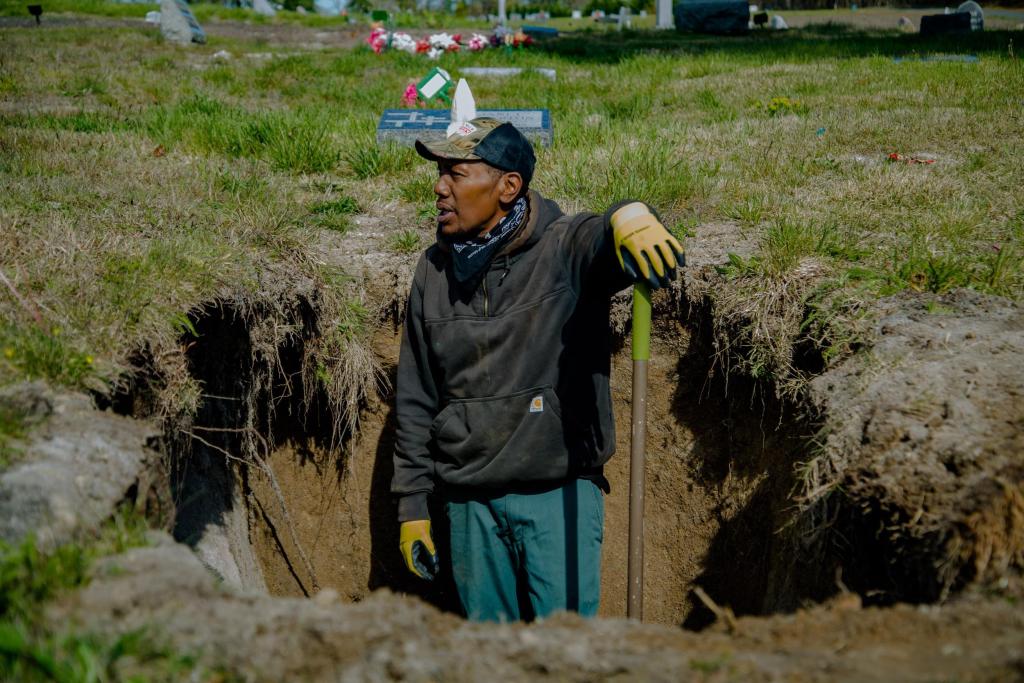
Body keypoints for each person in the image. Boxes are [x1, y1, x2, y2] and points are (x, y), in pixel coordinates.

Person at [391, 117, 683, 622]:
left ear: (508, 186)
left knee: (565, 658)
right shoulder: (433, 271)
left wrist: (631, 214)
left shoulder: (563, 248)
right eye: (439, 173)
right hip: (469, 503)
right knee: (492, 660)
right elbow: (416, 397)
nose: (440, 188)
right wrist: (413, 506)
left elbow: (605, 240)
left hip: (558, 497)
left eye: (456, 173)